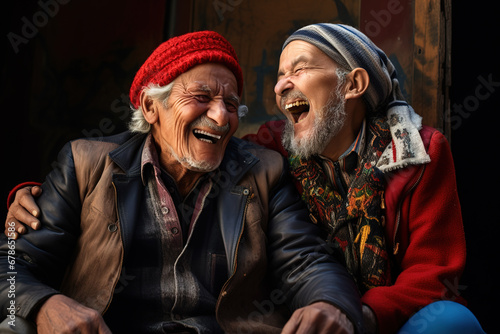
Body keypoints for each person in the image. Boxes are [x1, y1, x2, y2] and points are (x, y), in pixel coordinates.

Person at [5, 24, 487, 334]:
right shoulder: (88, 164)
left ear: (354, 85)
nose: (222, 116)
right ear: (150, 107)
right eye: (201, 96)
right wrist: (43, 300)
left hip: (369, 318)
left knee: (450, 322)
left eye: (232, 103)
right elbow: (12, 265)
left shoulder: (268, 164)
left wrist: (341, 310)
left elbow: (308, 261)